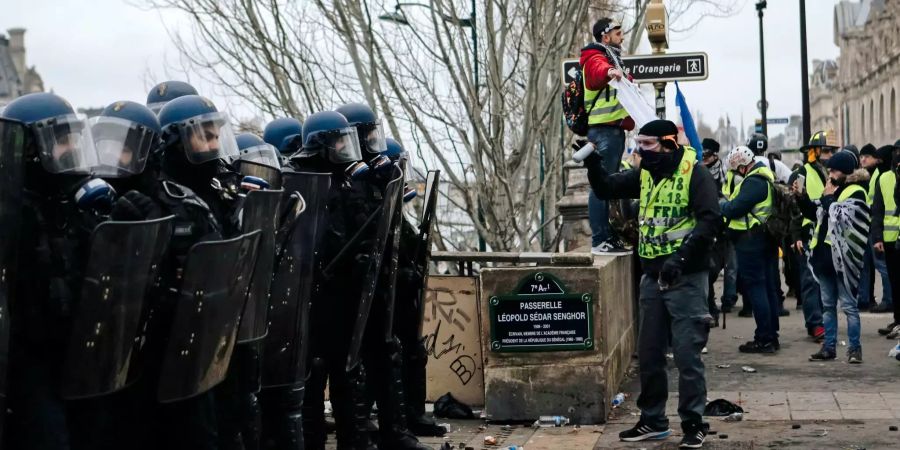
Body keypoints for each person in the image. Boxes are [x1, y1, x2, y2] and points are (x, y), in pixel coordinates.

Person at [1, 92, 125, 450]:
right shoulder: (12, 212)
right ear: (28, 147)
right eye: (61, 139)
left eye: (74, 137)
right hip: (27, 366)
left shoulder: (76, 205)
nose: (71, 147)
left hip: (77, 357)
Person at [586, 119, 719, 448]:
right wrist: (591, 162)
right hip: (651, 277)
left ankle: (693, 423)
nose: (639, 151)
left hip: (686, 277)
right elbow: (606, 188)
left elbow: (710, 220)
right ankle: (653, 420)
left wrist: (681, 259)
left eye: (647, 145)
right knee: (649, 353)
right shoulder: (645, 173)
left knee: (688, 354)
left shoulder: (694, 173)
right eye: (638, 144)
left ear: (669, 144)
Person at [288, 110, 380, 450]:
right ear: (322, 144)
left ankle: (351, 441)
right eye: (339, 141)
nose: (346, 147)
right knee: (313, 375)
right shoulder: (298, 181)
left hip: (340, 294)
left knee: (345, 370)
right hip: (312, 296)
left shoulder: (342, 180)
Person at [801, 150, 869, 363]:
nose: (830, 174)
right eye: (829, 170)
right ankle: (829, 347)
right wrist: (801, 198)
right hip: (824, 257)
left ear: (847, 172)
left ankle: (855, 349)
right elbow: (816, 213)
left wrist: (829, 197)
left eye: (834, 170)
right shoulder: (832, 189)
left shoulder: (856, 191)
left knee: (849, 307)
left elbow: (841, 216)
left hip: (844, 259)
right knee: (828, 306)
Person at [581, 17, 634, 254]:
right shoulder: (595, 57)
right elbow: (596, 73)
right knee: (600, 186)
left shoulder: (611, 57)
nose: (622, 37)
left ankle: (606, 236)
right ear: (605, 36)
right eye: (618, 33)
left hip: (611, 130)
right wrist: (611, 70)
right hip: (603, 130)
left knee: (607, 184)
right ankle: (600, 239)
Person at [721, 147, 780, 353]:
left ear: (742, 167)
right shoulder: (762, 178)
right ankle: (771, 336)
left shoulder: (754, 182)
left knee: (757, 289)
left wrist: (721, 206)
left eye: (736, 171)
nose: (735, 175)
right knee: (767, 288)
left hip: (752, 241)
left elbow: (735, 208)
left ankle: (765, 338)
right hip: (762, 238)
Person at [789, 131, 836, 342]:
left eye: (832, 151)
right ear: (813, 152)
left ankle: (822, 321)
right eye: (826, 151)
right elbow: (794, 209)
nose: (829, 155)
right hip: (808, 234)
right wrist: (796, 235)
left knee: (825, 281)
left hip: (827, 234)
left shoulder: (833, 174)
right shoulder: (801, 174)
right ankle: (816, 324)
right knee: (810, 281)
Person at [856, 143, 892, 313]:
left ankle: (888, 300)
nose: (863, 159)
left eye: (867, 156)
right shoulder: (873, 175)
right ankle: (865, 298)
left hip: (877, 227)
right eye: (861, 156)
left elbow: (876, 204)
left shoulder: (878, 174)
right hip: (872, 226)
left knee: (881, 266)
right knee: (868, 265)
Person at [701, 138, 731, 327]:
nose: (703, 159)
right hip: (705, 227)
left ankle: (713, 307)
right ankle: (711, 309)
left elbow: (729, 196)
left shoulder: (724, 173)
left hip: (721, 229)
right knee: (707, 272)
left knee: (714, 270)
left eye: (706, 156)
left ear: (714, 156)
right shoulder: (699, 172)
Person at [873, 144, 900, 337]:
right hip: (890, 240)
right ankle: (897, 320)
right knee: (895, 282)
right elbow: (877, 210)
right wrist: (877, 237)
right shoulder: (884, 178)